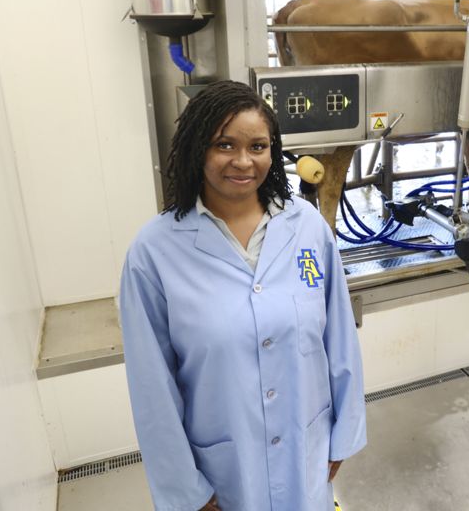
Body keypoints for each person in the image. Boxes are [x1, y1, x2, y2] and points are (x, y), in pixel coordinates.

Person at [119, 80, 366, 511]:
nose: (243, 161)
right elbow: (151, 388)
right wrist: (187, 490)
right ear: (199, 149)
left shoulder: (305, 226)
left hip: (306, 452)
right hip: (223, 474)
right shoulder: (154, 252)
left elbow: (339, 339)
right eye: (224, 145)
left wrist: (342, 434)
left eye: (258, 146)